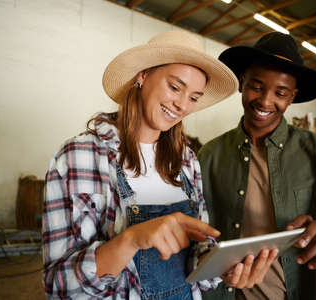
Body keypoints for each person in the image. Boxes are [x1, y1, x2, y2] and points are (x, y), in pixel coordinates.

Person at [42, 30, 242, 299]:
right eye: (175, 87)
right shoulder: (79, 156)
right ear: (143, 75)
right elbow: (59, 285)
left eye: (194, 97)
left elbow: (196, 253)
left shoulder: (187, 161)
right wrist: (131, 239)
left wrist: (222, 266)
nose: (182, 105)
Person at [198, 32, 316, 300]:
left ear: (292, 97)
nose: (265, 101)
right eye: (257, 86)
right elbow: (196, 232)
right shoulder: (209, 155)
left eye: (280, 92)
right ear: (242, 83)